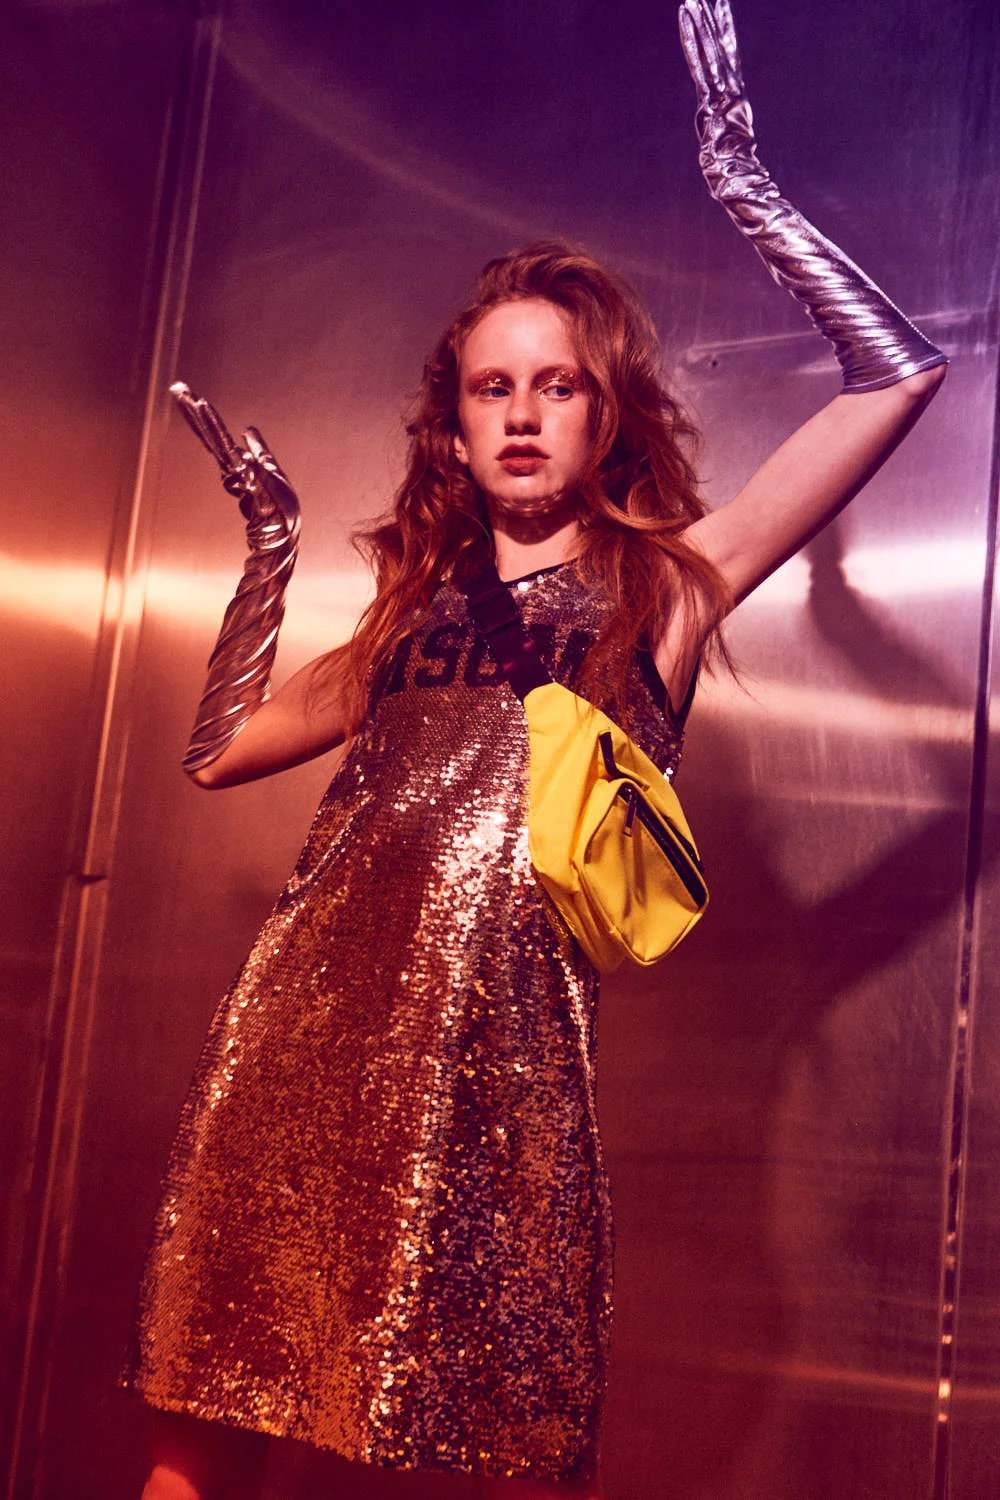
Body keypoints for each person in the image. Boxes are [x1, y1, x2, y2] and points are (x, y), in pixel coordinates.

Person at [126, 3, 947, 1497]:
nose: (521, 414)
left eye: (556, 385)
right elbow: (220, 749)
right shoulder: (406, 622)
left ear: (602, 416)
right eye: (491, 387)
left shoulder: (666, 590)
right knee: (208, 1425)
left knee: (497, 1441)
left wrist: (747, 190)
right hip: (299, 1048)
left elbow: (897, 374)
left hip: (500, 1081)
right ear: (450, 427)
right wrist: (269, 549)